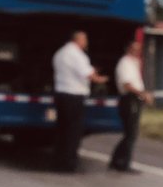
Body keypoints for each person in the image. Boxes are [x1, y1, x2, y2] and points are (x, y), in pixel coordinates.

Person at [52, 31, 106, 173]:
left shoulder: (60, 53)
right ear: (79, 40)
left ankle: (58, 161)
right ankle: (69, 163)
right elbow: (88, 74)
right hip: (74, 96)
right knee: (73, 132)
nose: (86, 42)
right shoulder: (77, 55)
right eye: (85, 39)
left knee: (62, 129)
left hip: (61, 94)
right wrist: (100, 79)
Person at [109, 40, 152, 174]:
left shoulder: (133, 63)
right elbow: (127, 84)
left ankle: (117, 160)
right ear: (128, 49)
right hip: (130, 99)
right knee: (131, 133)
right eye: (135, 49)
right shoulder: (125, 63)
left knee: (130, 134)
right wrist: (143, 94)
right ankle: (122, 163)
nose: (138, 51)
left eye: (139, 49)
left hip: (134, 99)